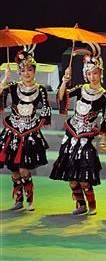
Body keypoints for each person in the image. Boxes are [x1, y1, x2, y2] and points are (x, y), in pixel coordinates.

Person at [50, 43, 106, 215]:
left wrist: (103, 138)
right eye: (89, 73)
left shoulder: (105, 96)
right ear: (85, 74)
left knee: (84, 179)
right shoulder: (80, 89)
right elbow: (62, 96)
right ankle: (80, 204)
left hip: (86, 137)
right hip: (71, 134)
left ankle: (92, 206)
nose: (92, 77)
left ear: (100, 73)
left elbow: (105, 118)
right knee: (72, 180)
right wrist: (64, 80)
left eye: (95, 73)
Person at [0, 47, 51, 211]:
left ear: (34, 71)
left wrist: (39, 122)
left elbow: (46, 109)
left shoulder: (40, 89)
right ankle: (18, 200)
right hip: (12, 132)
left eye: (29, 69)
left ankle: (29, 200)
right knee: (14, 170)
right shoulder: (13, 87)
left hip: (29, 133)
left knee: (23, 169)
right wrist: (4, 80)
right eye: (23, 70)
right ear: (19, 72)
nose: (26, 73)